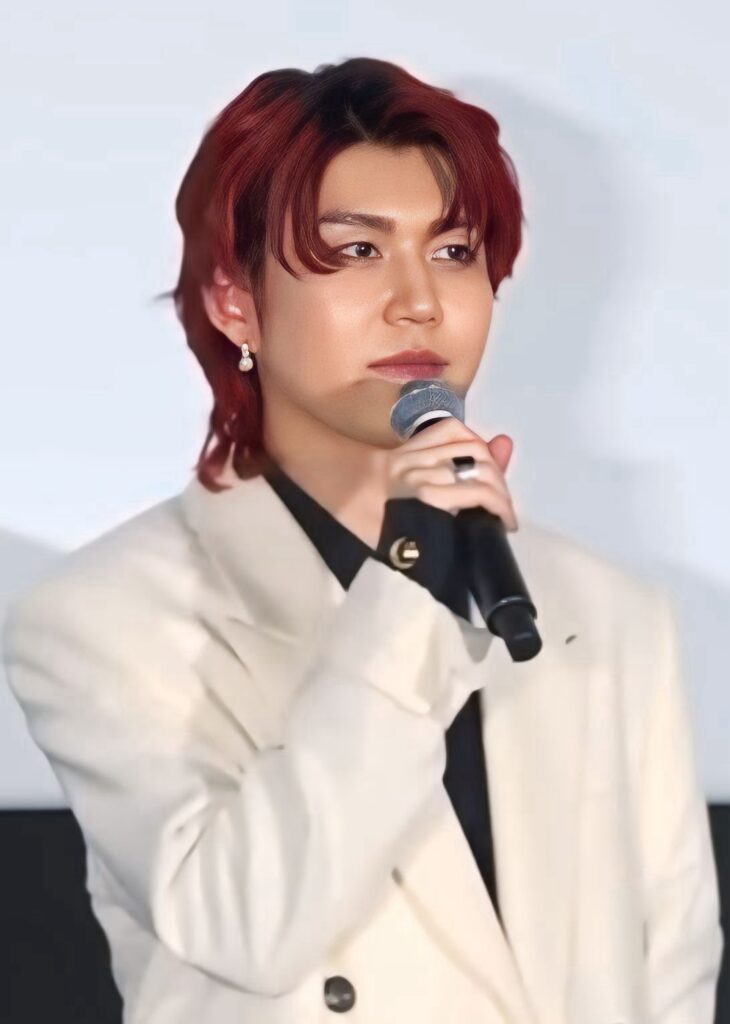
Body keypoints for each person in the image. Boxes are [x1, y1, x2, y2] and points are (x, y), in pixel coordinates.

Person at [2, 56, 723, 1024]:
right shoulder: (103, 617)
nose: (418, 300)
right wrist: (406, 588)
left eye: (454, 250)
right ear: (234, 300)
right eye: (356, 251)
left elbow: (672, 973)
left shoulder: (608, 613)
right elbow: (250, 926)